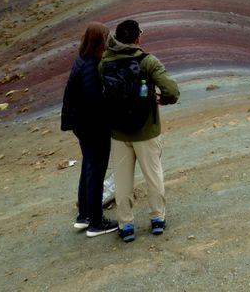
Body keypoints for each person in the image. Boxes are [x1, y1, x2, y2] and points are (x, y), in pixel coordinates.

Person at [101, 19, 180, 243]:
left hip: (118, 133)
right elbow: (172, 91)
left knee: (123, 181)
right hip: (146, 132)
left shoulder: (104, 63)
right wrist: (163, 99)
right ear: (137, 38)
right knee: (153, 176)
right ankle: (157, 220)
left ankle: (126, 226)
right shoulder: (147, 62)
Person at [60, 22, 119, 237]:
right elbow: (95, 100)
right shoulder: (90, 66)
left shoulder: (82, 60)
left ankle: (84, 215)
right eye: (105, 37)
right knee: (96, 168)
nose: (108, 40)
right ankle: (96, 221)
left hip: (80, 123)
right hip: (91, 125)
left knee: (89, 165)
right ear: (98, 41)